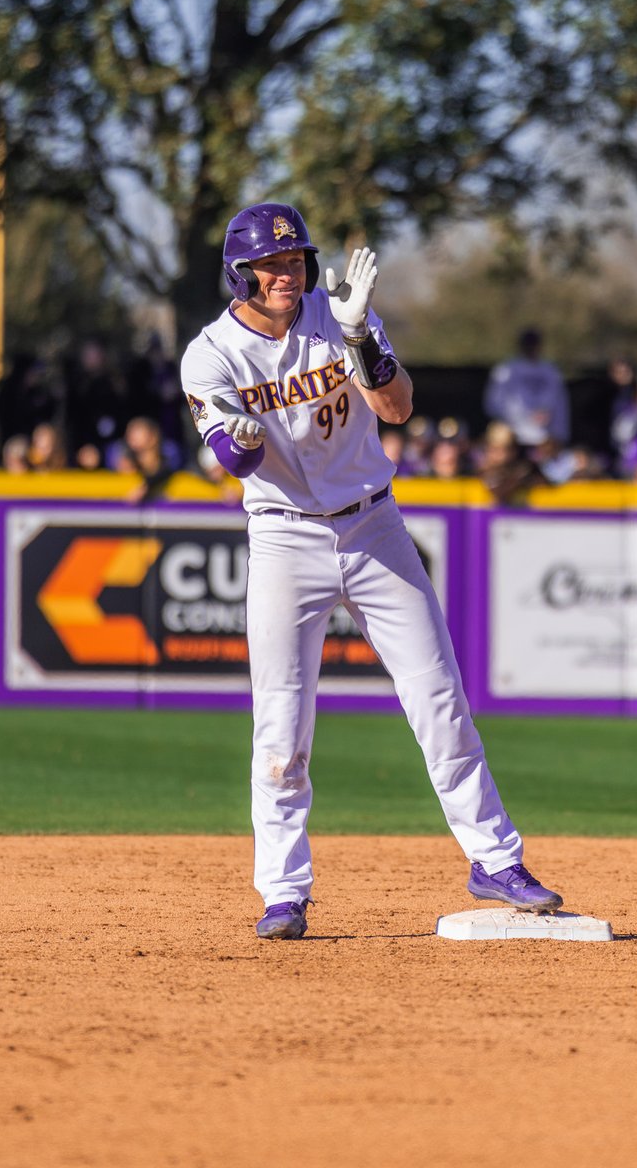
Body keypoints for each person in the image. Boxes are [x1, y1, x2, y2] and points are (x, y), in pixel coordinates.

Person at [180, 201, 563, 940]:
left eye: (296, 261)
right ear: (242, 274)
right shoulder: (211, 353)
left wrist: (360, 339)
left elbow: (396, 407)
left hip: (373, 524)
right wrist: (240, 437)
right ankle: (284, 892)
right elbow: (235, 460)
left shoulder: (339, 314)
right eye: (274, 265)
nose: (289, 273)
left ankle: (495, 859)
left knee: (439, 696)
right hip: (285, 539)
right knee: (281, 729)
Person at [483, 326, 570, 454]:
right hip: (512, 440)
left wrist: (559, 436)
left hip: (545, 442)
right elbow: (493, 404)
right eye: (528, 343)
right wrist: (515, 421)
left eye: (534, 343)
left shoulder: (551, 371)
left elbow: (561, 407)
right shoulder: (506, 370)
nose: (531, 347)